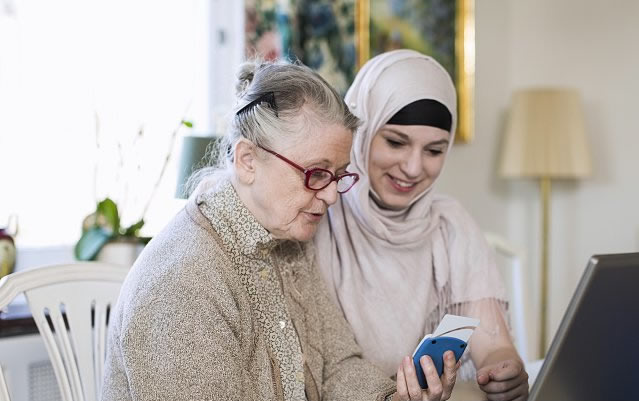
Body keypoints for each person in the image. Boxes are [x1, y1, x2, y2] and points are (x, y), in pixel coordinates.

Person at [102, 60, 458, 401]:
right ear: (247, 161)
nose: (332, 194)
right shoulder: (184, 285)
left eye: (338, 175)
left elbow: (336, 366)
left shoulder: (288, 238)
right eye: (316, 173)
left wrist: (393, 398)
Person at [314, 49, 529, 401]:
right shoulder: (320, 214)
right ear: (360, 132)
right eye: (396, 142)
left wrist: (506, 372)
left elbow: (493, 348)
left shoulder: (451, 225)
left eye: (434, 150)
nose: (414, 168)